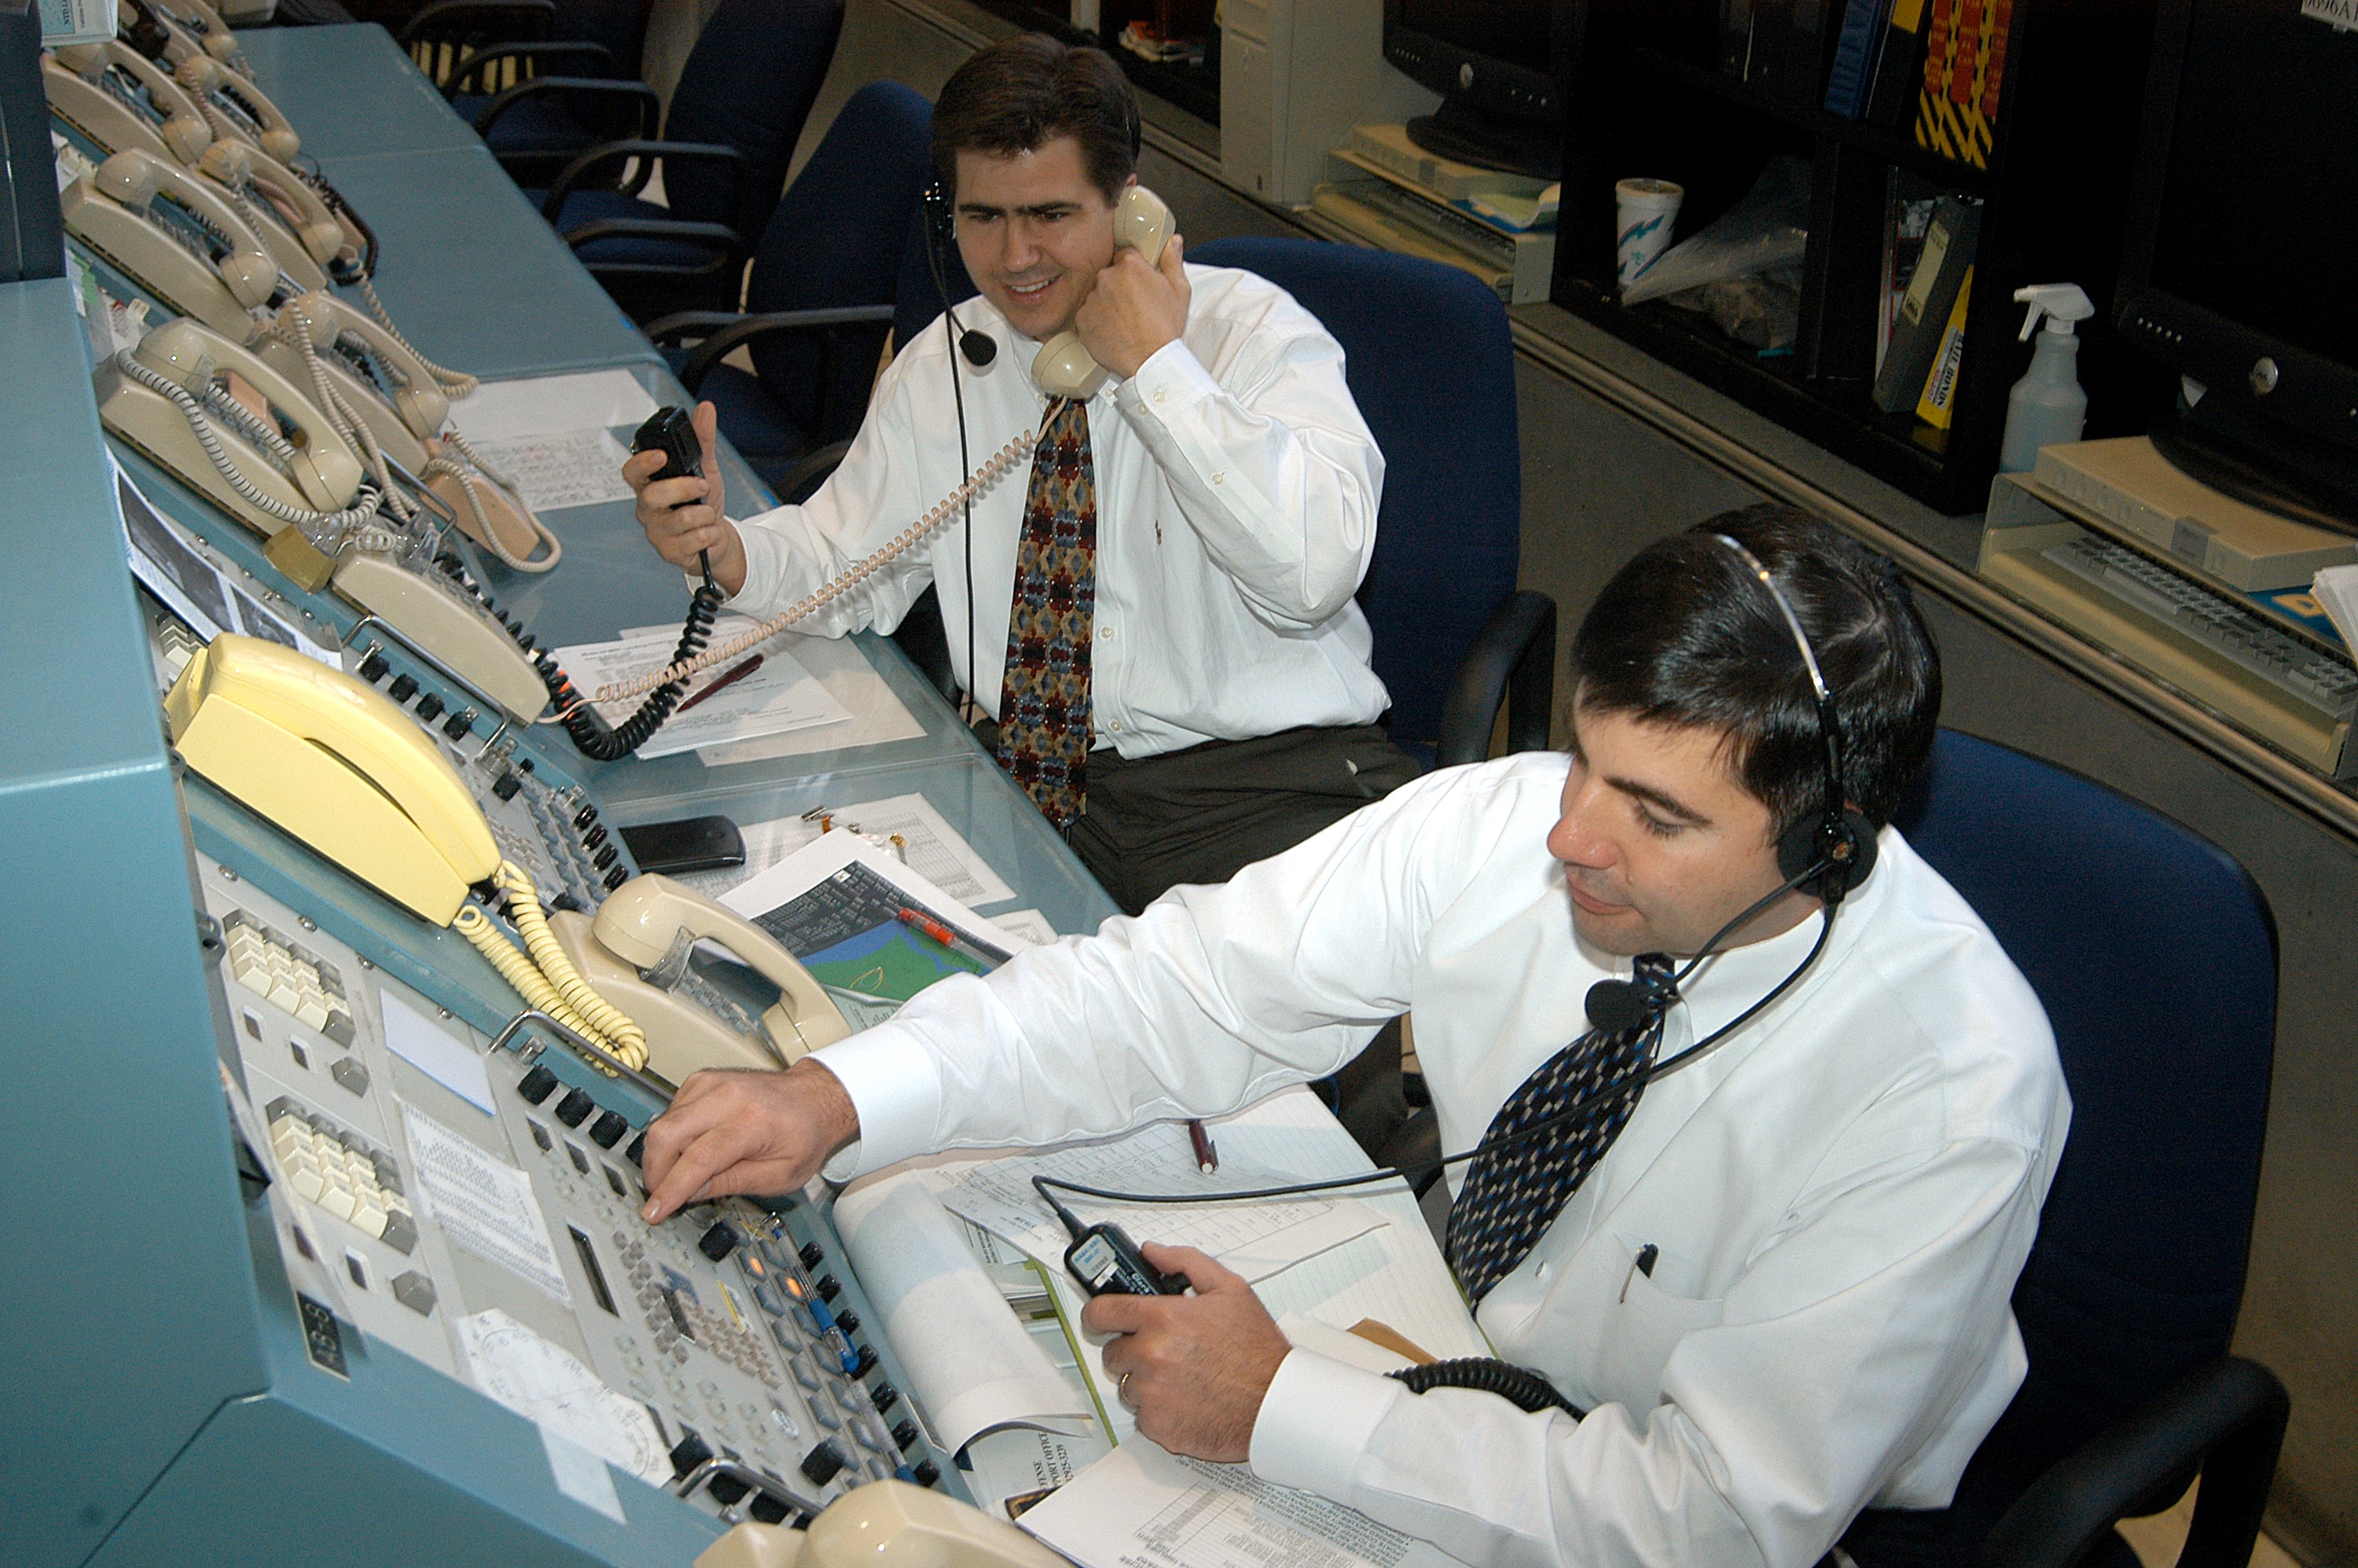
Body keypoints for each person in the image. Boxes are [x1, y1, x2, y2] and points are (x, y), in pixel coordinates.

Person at [635, 507, 2070, 1568]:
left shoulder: (1948, 1092)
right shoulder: (1505, 825)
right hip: (1444, 1347)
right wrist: (844, 1094)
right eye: (1590, 762)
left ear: (1825, 844)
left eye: (1660, 815)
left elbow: (1710, 1514)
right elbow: (1178, 993)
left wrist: (1279, 1407)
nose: (1571, 835)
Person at [624, 35, 1419, 914]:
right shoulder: (952, 364)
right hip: (1027, 786)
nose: (1014, 260)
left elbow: (1312, 575)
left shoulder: (1256, 340)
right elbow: (846, 560)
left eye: (1051, 214)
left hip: (1259, 790)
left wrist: (1159, 371)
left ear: (1127, 206)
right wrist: (726, 549)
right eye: (983, 217)